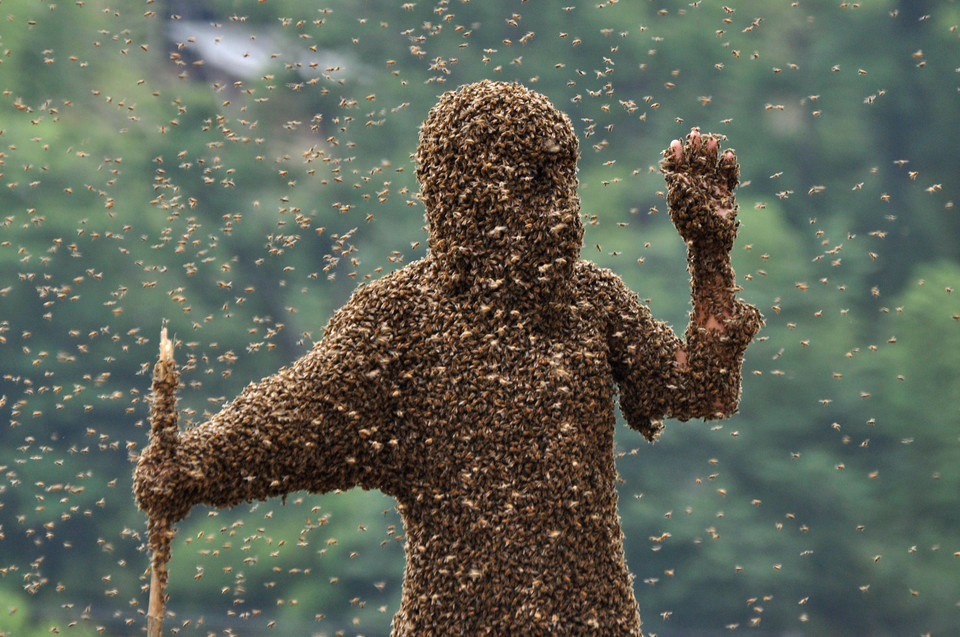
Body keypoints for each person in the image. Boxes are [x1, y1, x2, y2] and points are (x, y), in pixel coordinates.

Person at [135, 80, 762, 636]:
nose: (564, 209)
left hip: (594, 622)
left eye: (566, 181)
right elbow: (294, 417)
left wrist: (711, 254)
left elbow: (700, 392)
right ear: (469, 194)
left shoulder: (592, 301)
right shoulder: (400, 322)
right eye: (537, 184)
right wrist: (190, 467)